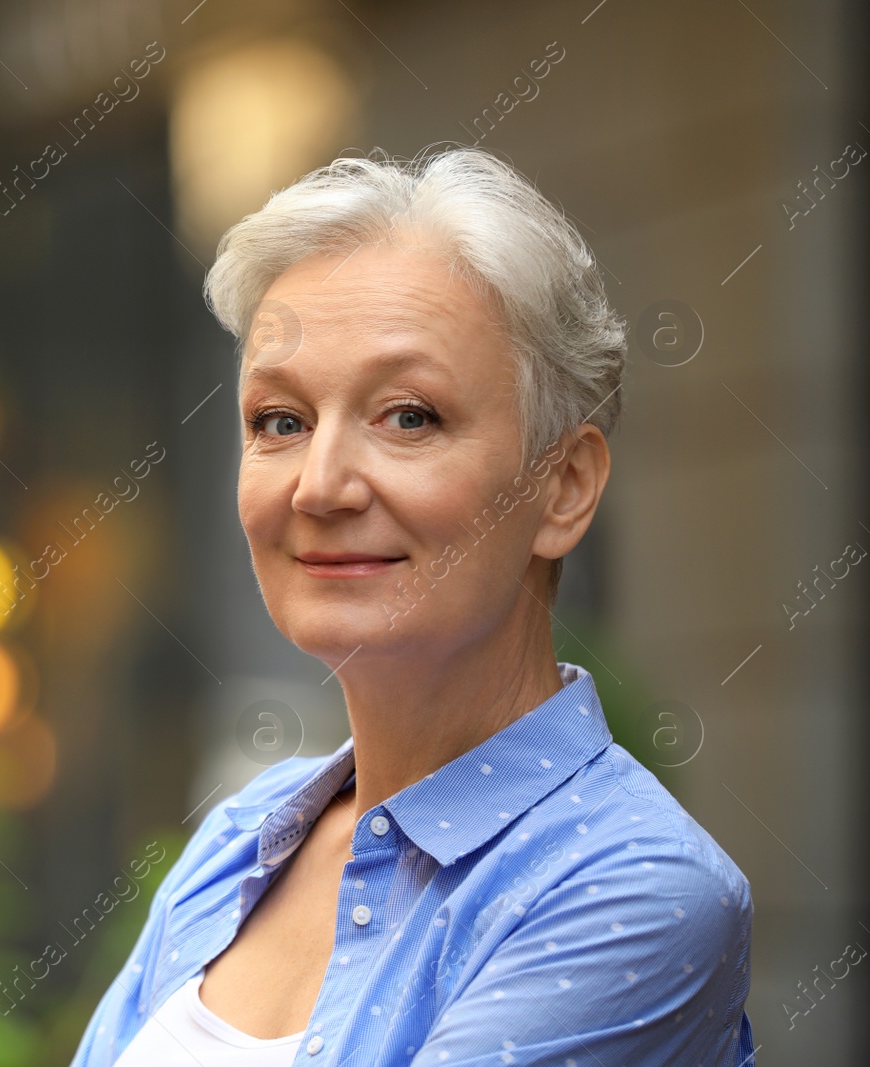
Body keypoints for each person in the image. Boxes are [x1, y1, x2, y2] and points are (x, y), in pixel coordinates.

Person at [68, 147, 755, 1066]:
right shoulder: (242, 837)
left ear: (565, 485)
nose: (320, 486)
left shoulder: (635, 889)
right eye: (281, 420)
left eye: (408, 416)